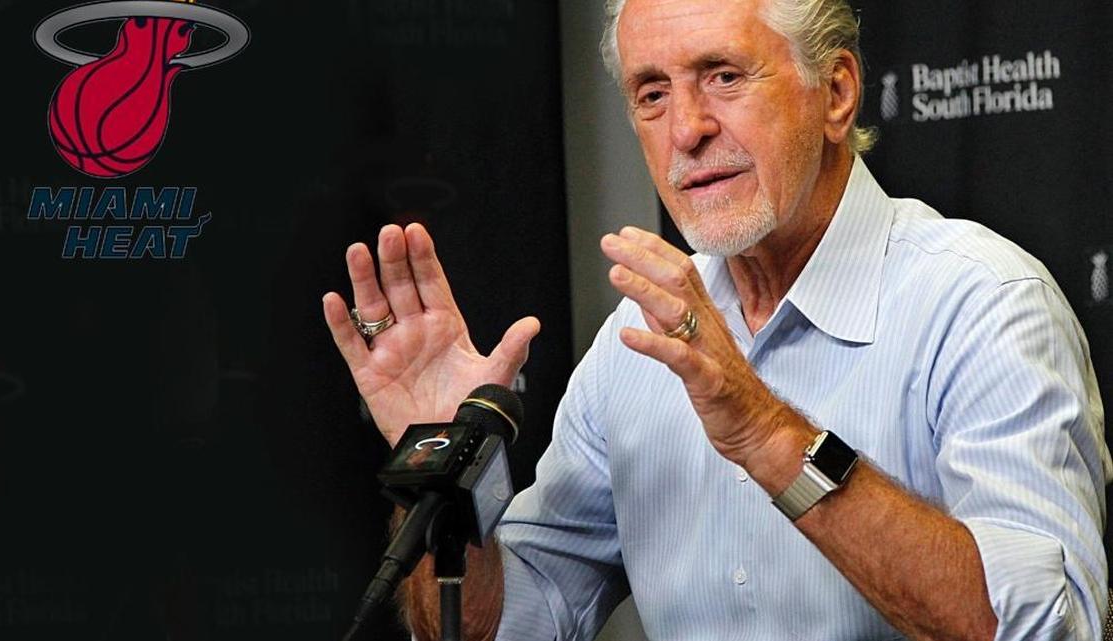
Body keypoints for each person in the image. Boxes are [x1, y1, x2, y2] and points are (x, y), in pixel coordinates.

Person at [322, 0, 1112, 638]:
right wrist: (440, 473)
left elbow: (1047, 627)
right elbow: (508, 627)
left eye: (724, 76)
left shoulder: (985, 303)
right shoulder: (634, 346)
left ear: (836, 92)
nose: (686, 129)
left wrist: (768, 434)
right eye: (652, 93)